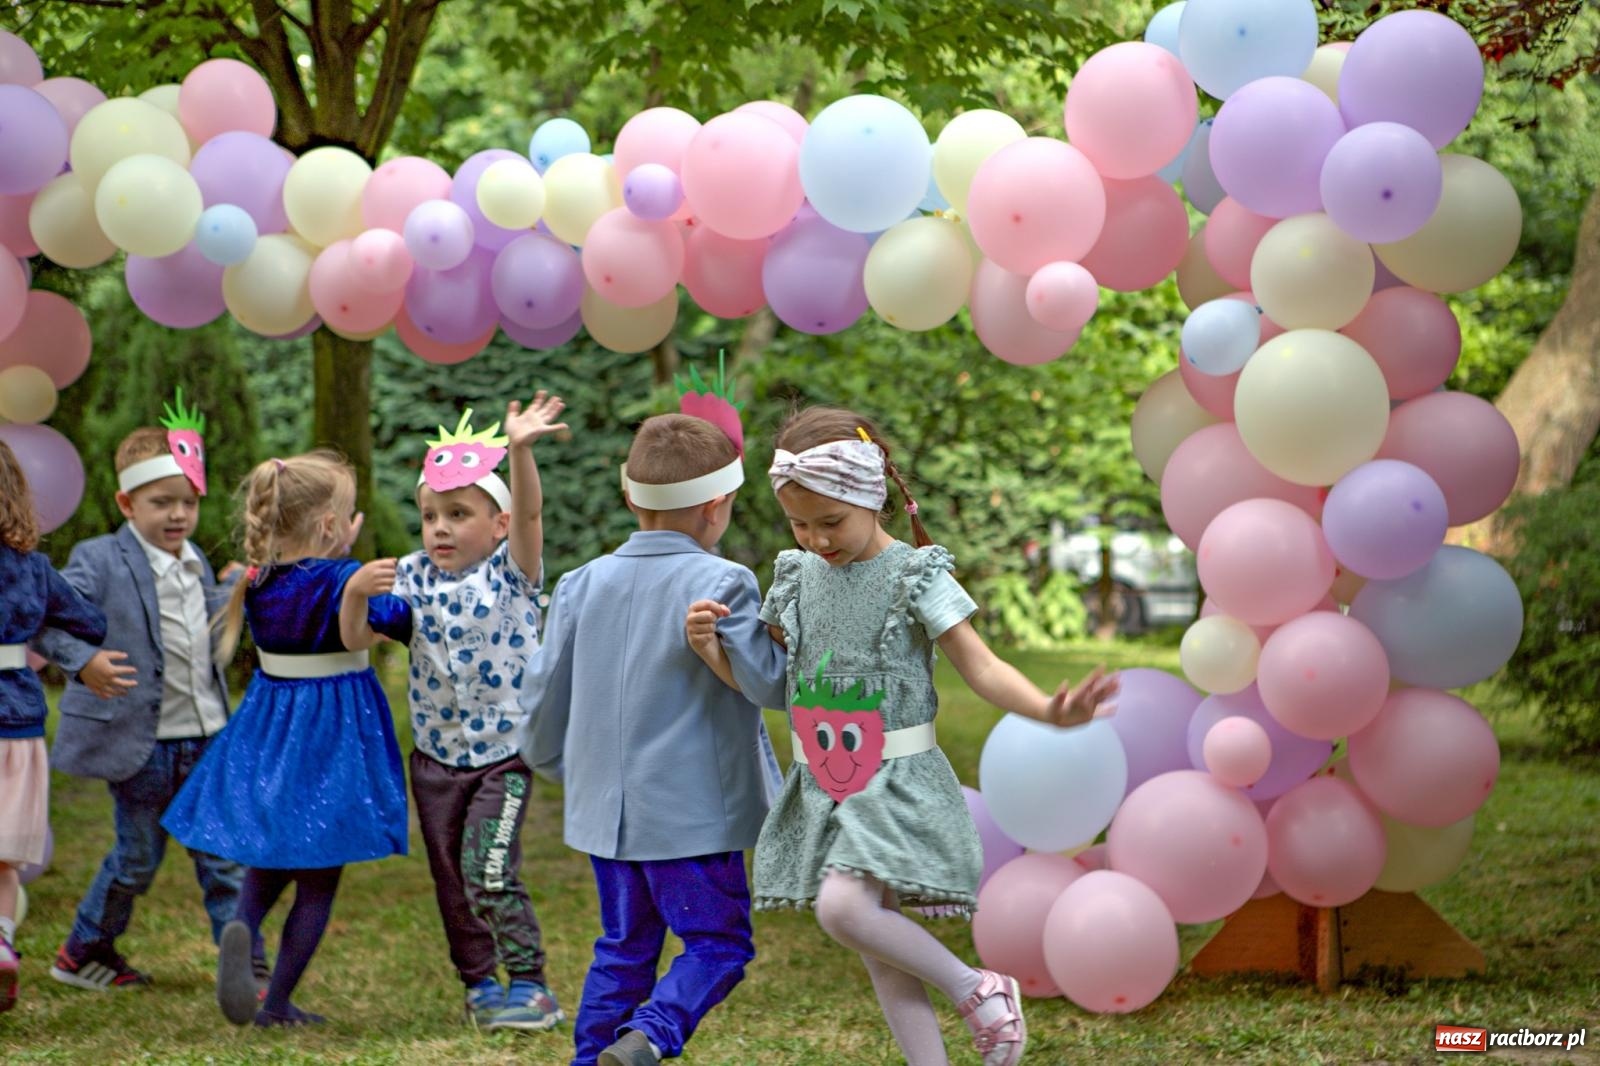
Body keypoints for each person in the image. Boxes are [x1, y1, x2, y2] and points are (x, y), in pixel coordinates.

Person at [688, 406, 1118, 1066]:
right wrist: (715, 655)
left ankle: (978, 989)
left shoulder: (915, 574)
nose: (815, 539)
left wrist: (1047, 709)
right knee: (875, 944)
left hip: (893, 779)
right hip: (826, 780)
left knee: (843, 911)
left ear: (873, 496)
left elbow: (983, 665)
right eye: (799, 523)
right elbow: (777, 687)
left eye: (831, 522)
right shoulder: (797, 577)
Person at [521, 405, 786, 1066]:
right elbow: (772, 688)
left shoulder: (581, 583)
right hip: (692, 819)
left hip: (604, 816)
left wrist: (561, 767)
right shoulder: (724, 582)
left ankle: (594, 1060)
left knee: (623, 947)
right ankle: (653, 1034)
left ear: (628, 496)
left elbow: (543, 698)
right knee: (718, 944)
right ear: (716, 506)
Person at [340, 396, 567, 1033]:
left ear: (497, 525)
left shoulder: (513, 572)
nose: (439, 527)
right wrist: (355, 594)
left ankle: (532, 986)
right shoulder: (411, 578)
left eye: (458, 514)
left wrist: (519, 449)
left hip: (504, 756)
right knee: (451, 881)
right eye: (430, 515)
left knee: (488, 870)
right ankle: (479, 986)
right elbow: (358, 639)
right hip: (436, 761)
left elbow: (531, 510)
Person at [161, 451, 411, 1027]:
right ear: (329, 525)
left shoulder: (258, 579)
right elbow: (384, 624)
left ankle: (244, 939)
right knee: (319, 878)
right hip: (332, 736)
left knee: (271, 857)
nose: (354, 524)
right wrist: (401, 603)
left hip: (272, 727)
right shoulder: (343, 578)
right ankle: (275, 1004)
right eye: (350, 515)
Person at [31, 396, 267, 994]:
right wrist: (82, 662)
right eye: (162, 503)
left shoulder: (195, 565)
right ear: (127, 503)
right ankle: (84, 949)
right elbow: (43, 614)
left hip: (208, 735)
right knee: (136, 860)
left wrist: (235, 591)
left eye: (187, 502)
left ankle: (249, 969)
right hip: (142, 745)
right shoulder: (100, 560)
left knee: (222, 859)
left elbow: (208, 633)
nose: (178, 515)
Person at [0, 439, 109, 1013]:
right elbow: (89, 621)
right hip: (15, 725)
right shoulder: (34, 570)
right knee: (3, 859)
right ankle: (0, 941)